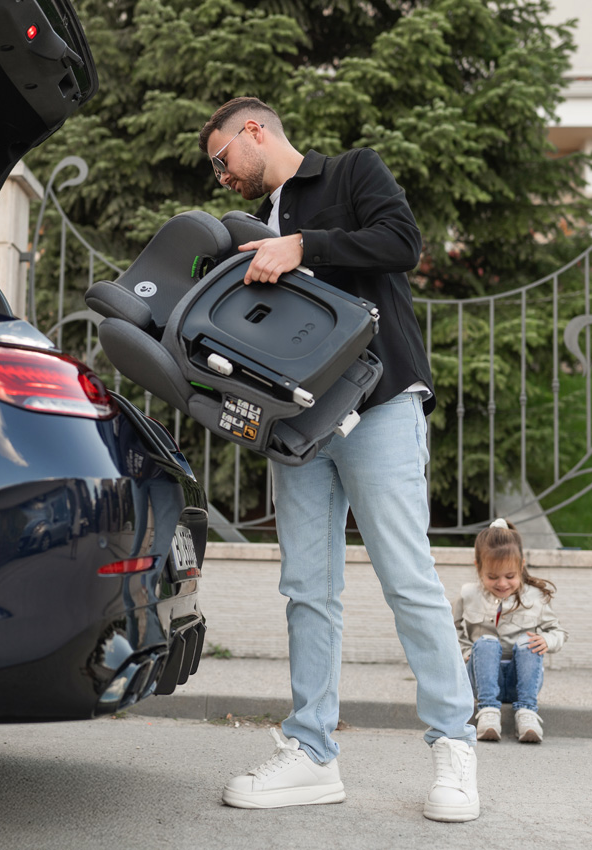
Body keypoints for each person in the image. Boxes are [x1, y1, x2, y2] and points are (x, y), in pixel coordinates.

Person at [199, 97, 479, 822]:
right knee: (307, 588)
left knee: (407, 578)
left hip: (380, 403)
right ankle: (312, 753)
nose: (222, 176)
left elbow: (401, 243)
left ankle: (455, 744)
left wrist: (303, 246)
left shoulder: (352, 172)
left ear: (254, 131)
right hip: (297, 425)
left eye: (222, 159)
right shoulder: (250, 231)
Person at [453, 518, 567, 743]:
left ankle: (527, 713)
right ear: (478, 567)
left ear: (521, 565)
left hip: (521, 681)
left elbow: (558, 632)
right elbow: (451, 629)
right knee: (486, 641)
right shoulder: (468, 594)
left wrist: (546, 640)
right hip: (482, 679)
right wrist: (465, 651)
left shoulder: (535, 597)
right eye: (492, 577)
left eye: (510, 576)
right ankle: (488, 711)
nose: (502, 584)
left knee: (527, 641)